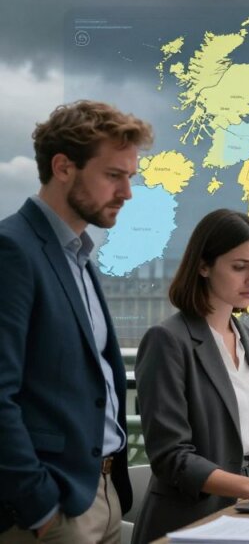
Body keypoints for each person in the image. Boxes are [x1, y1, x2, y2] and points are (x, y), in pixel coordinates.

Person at [0, 101, 152, 543]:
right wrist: (38, 503)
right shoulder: (13, 251)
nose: (127, 192)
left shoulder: (78, 255)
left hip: (103, 495)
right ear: (63, 167)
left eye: (130, 177)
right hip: (54, 510)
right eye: (113, 175)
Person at [132, 209, 249, 543]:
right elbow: (172, 457)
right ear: (203, 266)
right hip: (190, 520)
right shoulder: (167, 340)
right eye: (239, 267)